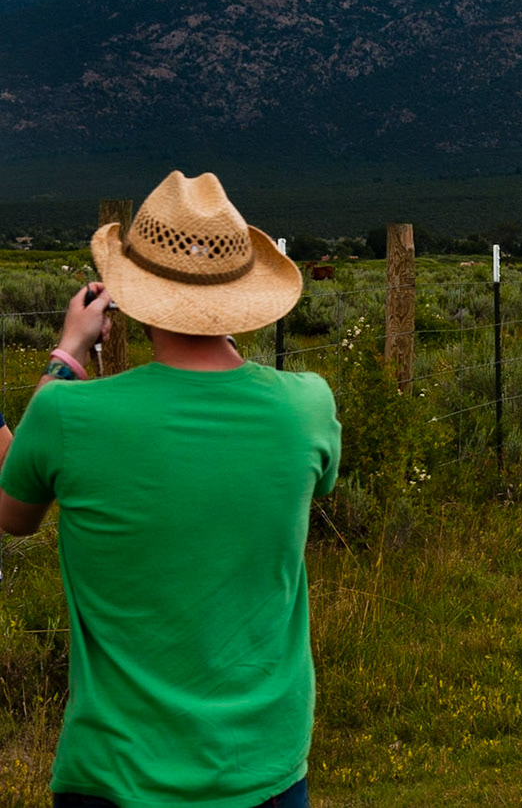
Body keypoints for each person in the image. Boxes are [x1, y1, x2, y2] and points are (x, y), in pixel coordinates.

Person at [0, 172, 338, 808]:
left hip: (117, 771)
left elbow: (13, 513)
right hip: (264, 764)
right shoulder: (308, 406)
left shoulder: (66, 415)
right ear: (242, 294)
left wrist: (67, 355)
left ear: (126, 297)